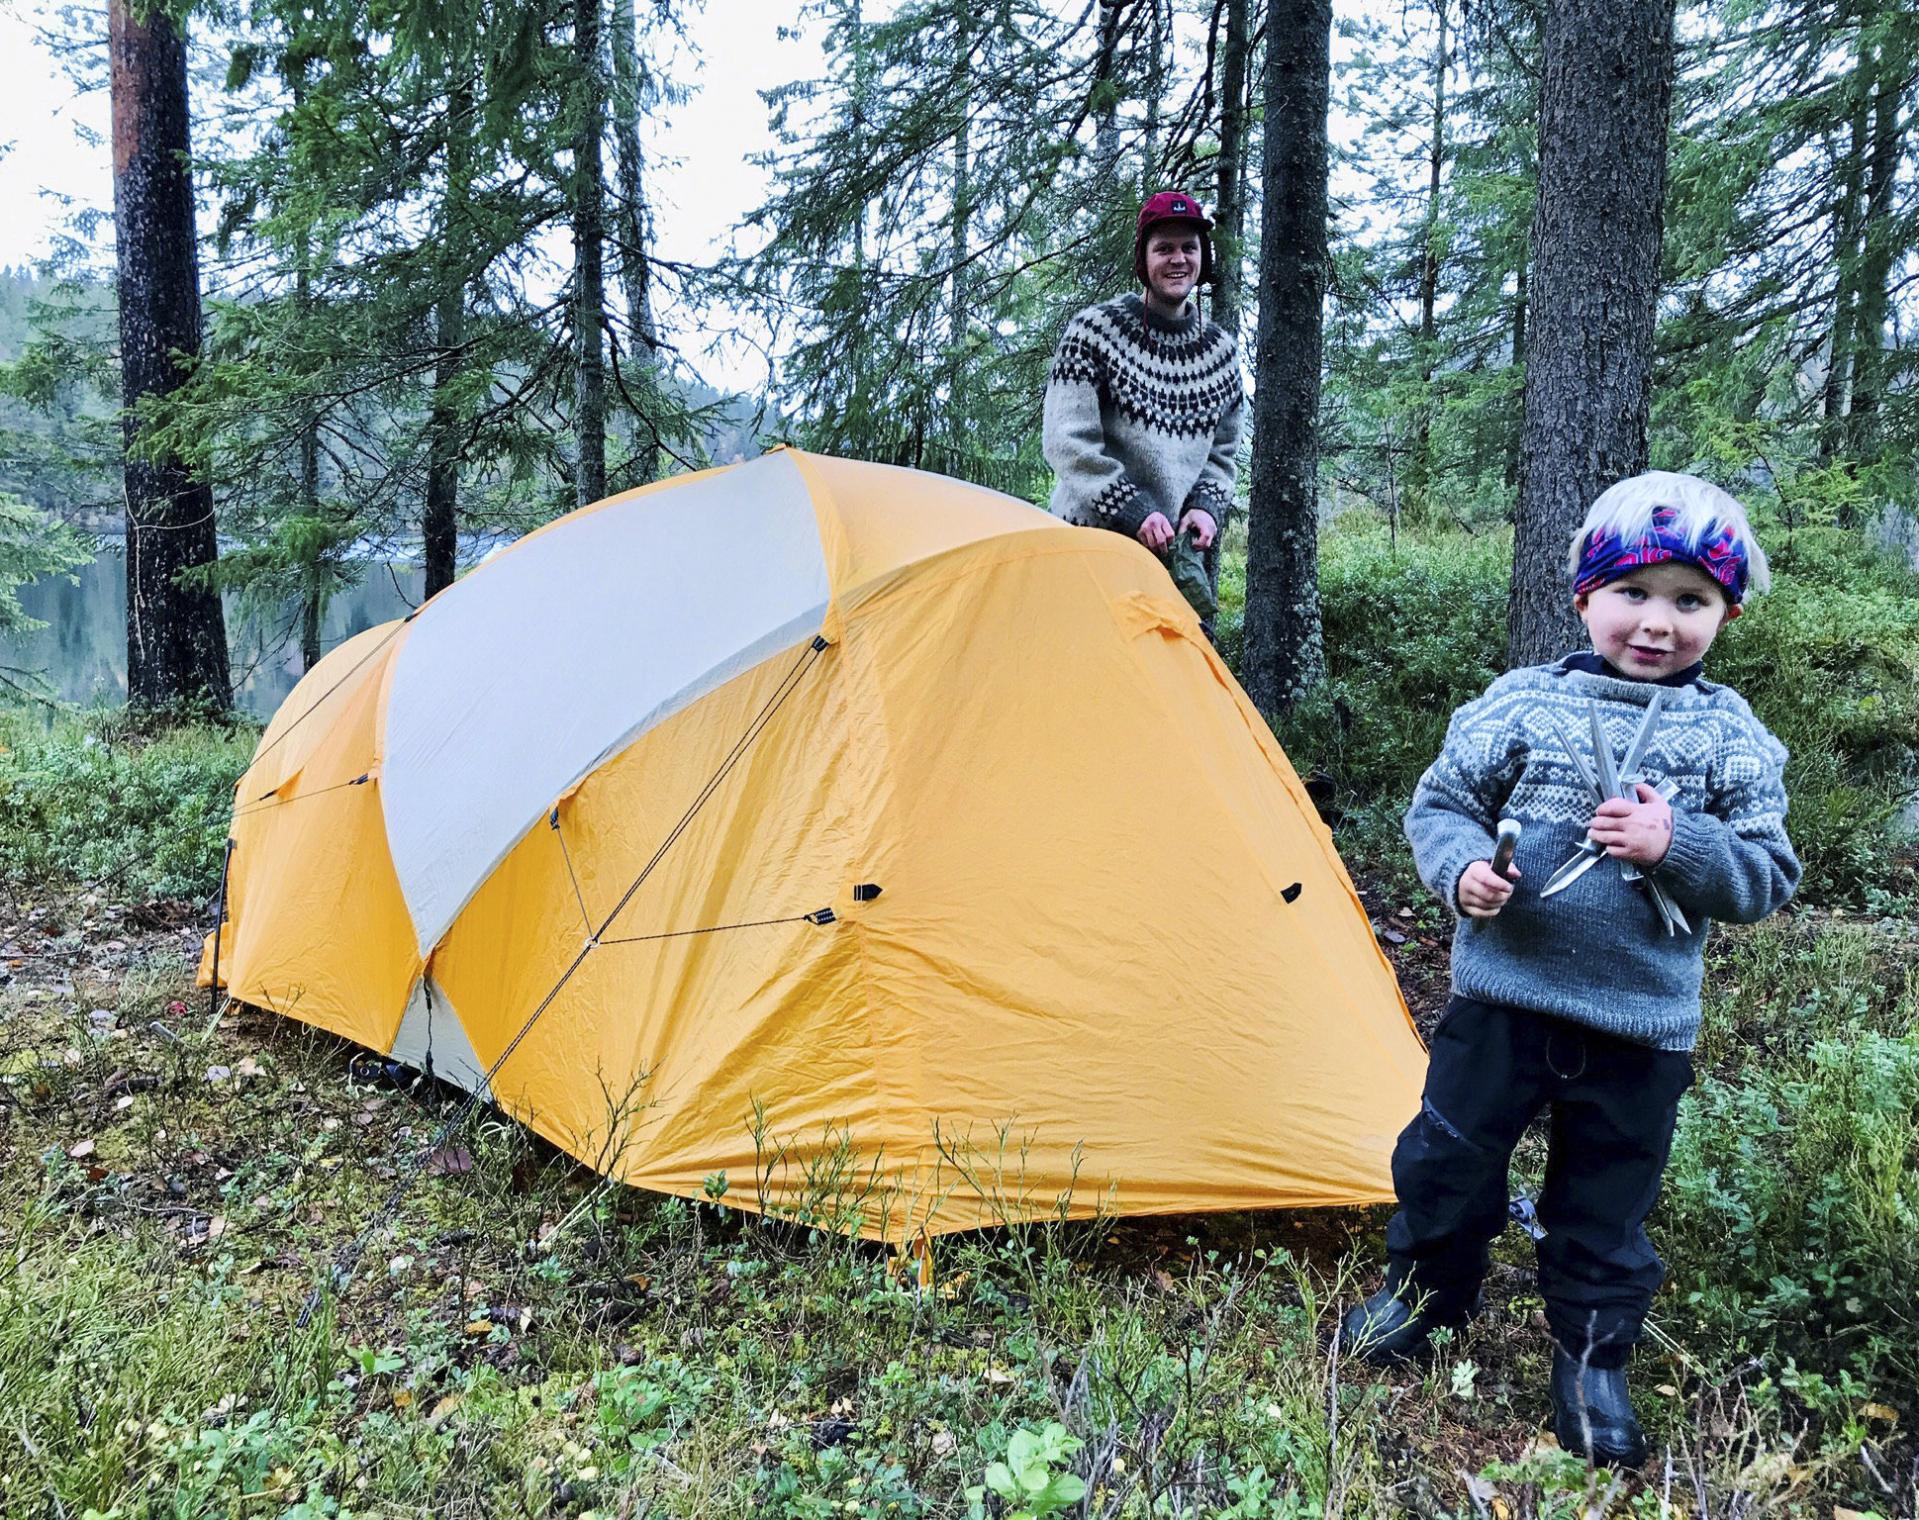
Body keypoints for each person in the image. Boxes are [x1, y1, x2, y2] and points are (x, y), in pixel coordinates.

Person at [1341, 472, 1801, 1467]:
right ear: (1581, 596)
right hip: (1501, 1000)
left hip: (1638, 1025)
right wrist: (1458, 868)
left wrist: (1675, 843)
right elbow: (1441, 804)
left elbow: (1765, 874)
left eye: (1690, 600)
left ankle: (1590, 1358)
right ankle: (1422, 1299)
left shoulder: (1728, 738)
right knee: (1445, 1161)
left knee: (1604, 1201)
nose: (1654, 622)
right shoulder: (1519, 704)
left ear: (1726, 611)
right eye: (1631, 591)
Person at [1041, 190, 1242, 621]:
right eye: (1163, 248)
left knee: (1171, 681)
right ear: (1142, 260)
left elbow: (1223, 456)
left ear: (1202, 258)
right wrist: (1131, 508)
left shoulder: (1221, 352)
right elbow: (1066, 441)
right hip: (1090, 545)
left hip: (1173, 561)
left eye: (1189, 247)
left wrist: (1206, 508)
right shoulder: (1094, 332)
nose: (1178, 259)